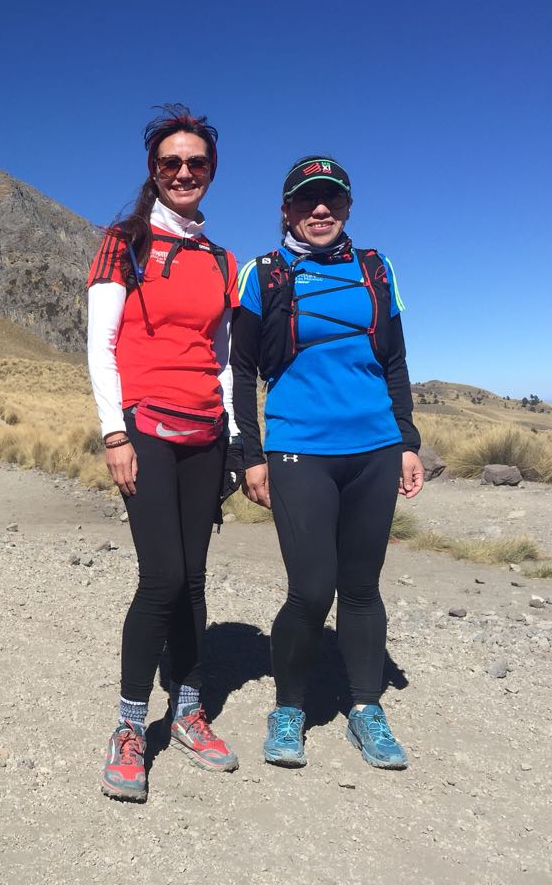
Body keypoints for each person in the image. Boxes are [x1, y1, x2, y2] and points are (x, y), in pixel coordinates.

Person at [229, 155, 424, 770]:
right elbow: (240, 369)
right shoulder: (263, 274)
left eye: (332, 199)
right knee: (312, 589)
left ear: (347, 207)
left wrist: (408, 441)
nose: (320, 209)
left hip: (375, 448)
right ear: (286, 210)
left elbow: (394, 361)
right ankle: (289, 708)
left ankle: (366, 707)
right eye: (307, 200)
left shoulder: (376, 269)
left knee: (361, 588)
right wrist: (250, 455)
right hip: (299, 447)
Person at [87, 105, 240, 802]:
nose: (184, 172)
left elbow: (222, 357)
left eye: (196, 162)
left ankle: (187, 710)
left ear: (211, 170)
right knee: (162, 578)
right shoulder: (123, 243)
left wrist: (234, 437)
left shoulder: (221, 260)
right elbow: (101, 345)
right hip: (145, 428)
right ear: (153, 170)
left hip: (206, 433)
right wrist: (114, 433)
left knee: (195, 580)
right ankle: (128, 727)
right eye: (171, 162)